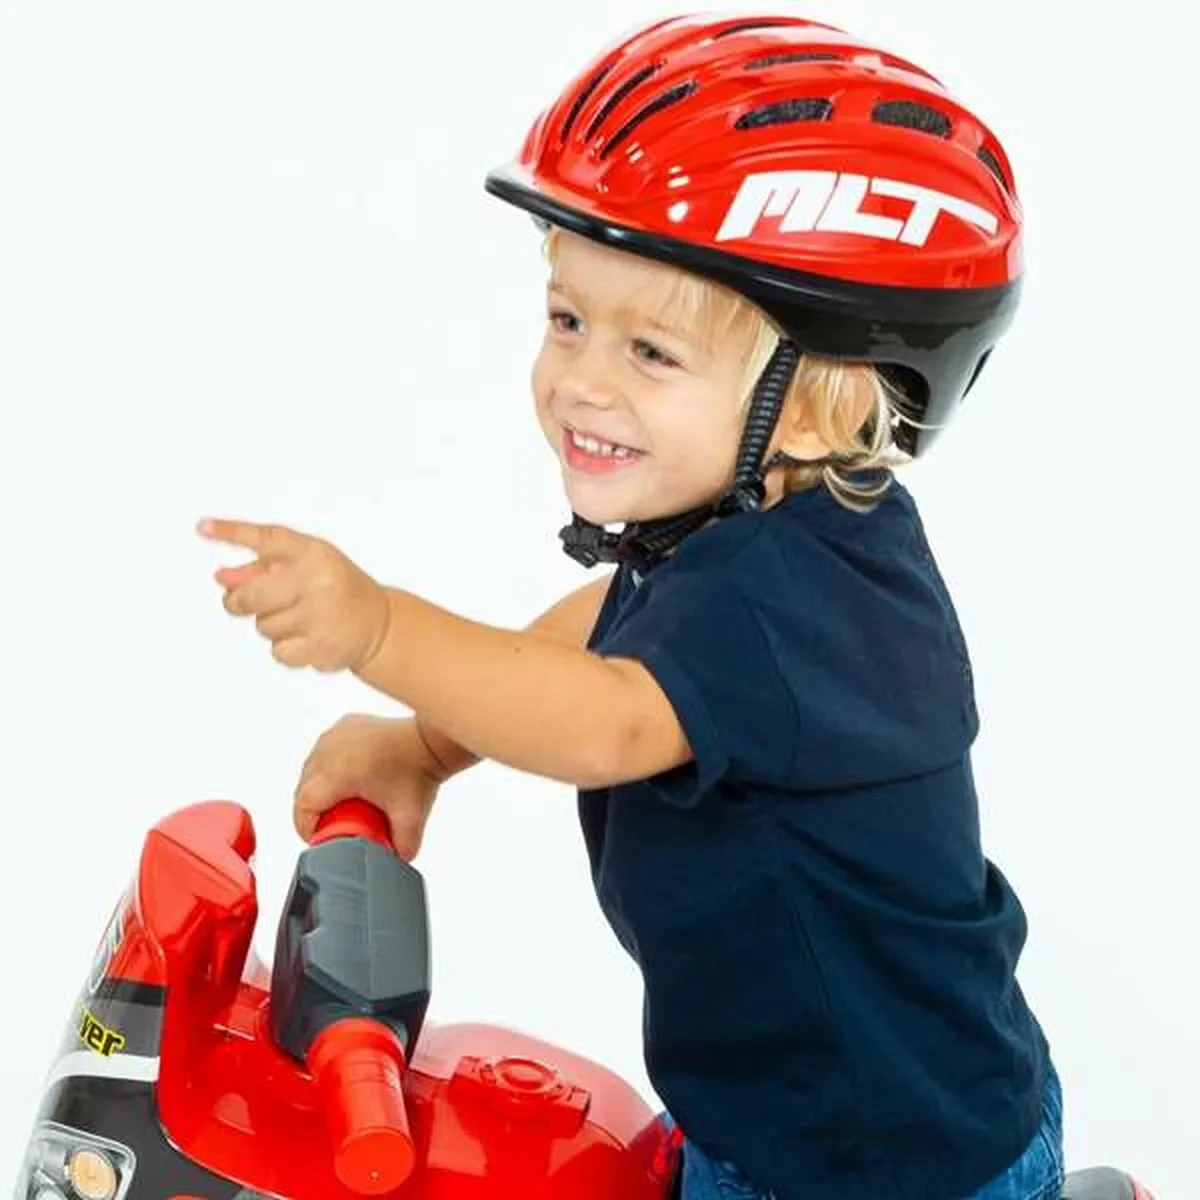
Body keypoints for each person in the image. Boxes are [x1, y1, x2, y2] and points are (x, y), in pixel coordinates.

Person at [198, 13, 1062, 1199]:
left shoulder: (799, 598)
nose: (579, 380)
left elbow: (602, 719)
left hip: (875, 1171)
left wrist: (383, 633)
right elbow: (613, 621)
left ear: (816, 408)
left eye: (651, 352)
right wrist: (425, 749)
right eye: (567, 318)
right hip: (786, 1119)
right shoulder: (747, 538)